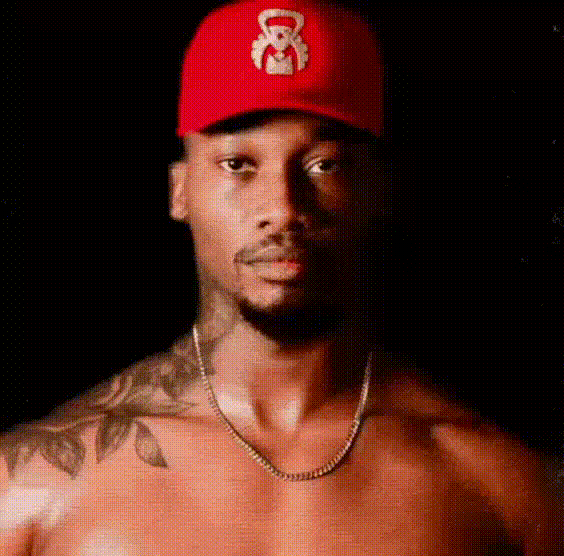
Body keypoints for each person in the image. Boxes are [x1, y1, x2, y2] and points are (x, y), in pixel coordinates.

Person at [1, 1, 561, 554]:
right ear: (180, 189)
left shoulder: (506, 492)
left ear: (379, 190)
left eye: (324, 164)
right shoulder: (34, 485)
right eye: (238, 164)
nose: (283, 207)